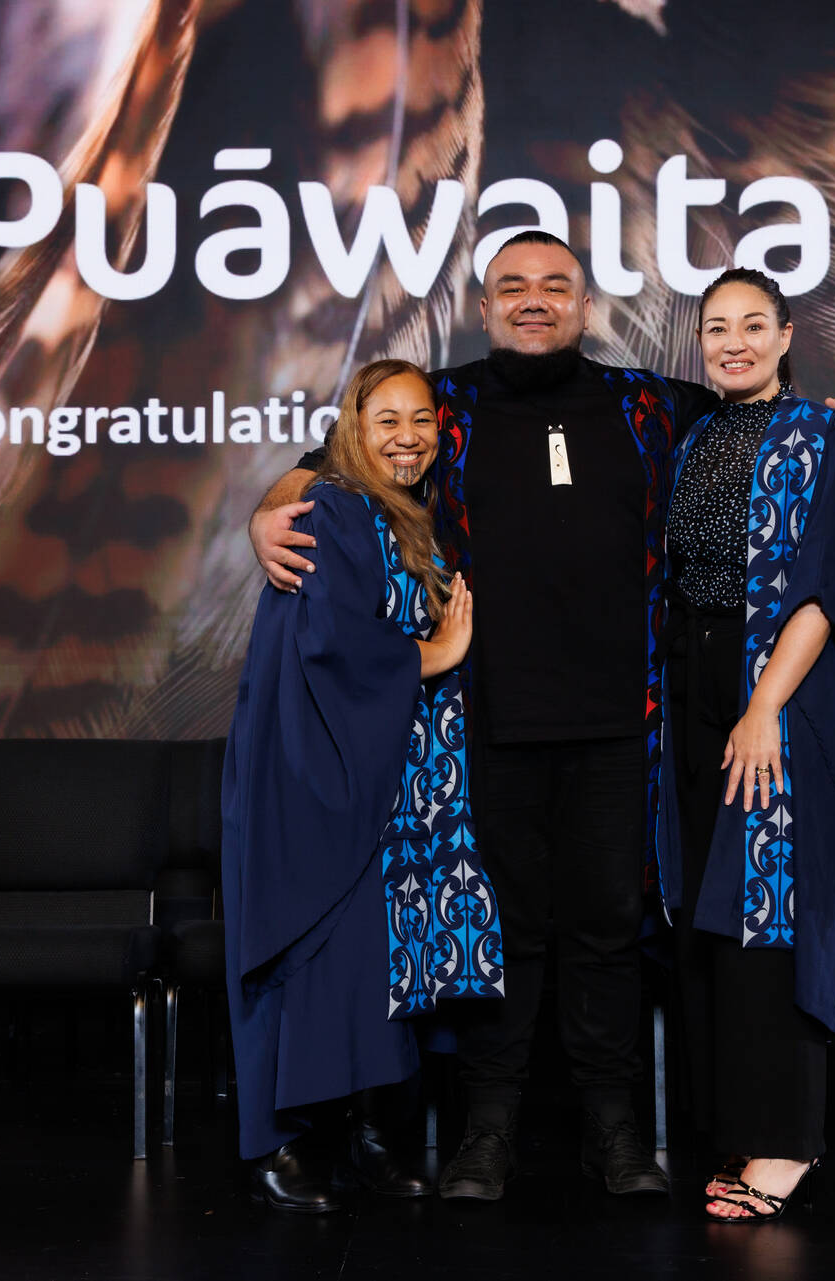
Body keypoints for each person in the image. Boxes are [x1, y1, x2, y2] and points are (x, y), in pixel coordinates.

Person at [249, 231, 835, 1202]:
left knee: (607, 933)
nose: (533, 299)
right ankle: (486, 1137)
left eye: (554, 285)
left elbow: (768, 417)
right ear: (485, 307)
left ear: (585, 306)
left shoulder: (651, 406)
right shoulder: (442, 404)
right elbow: (330, 460)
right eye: (513, 287)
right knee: (502, 934)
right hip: (482, 725)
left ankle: (615, 1134)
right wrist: (270, 511)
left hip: (625, 730)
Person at [655, 267, 835, 1222]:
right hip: (695, 688)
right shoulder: (695, 436)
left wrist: (764, 704)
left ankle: (785, 1142)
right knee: (714, 918)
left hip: (779, 692)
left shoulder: (818, 434)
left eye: (752, 325)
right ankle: (741, 1122)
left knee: (770, 916)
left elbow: (826, 588)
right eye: (716, 327)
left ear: (785, 337)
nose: (732, 342)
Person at [221, 358, 504, 1213]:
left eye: (421, 421)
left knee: (377, 955)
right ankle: (285, 1139)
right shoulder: (335, 507)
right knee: (316, 947)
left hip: (385, 767)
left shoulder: (406, 513)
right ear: (352, 426)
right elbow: (332, 641)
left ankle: (369, 1135)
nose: (408, 438)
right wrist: (437, 654)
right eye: (388, 421)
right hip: (319, 765)